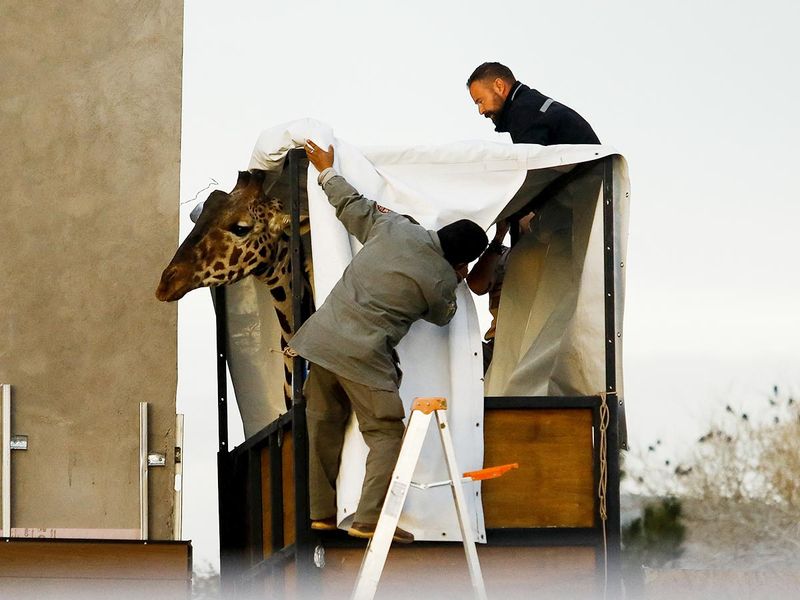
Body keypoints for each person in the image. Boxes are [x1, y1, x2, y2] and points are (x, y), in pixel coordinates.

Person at [289, 139, 488, 543]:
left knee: (322, 427)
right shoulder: (440, 280)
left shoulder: (395, 226)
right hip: (364, 357)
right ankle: (369, 519)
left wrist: (326, 169)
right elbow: (443, 316)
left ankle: (320, 515)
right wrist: (457, 279)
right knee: (385, 434)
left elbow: (349, 205)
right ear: (461, 261)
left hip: (320, 342)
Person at [466, 62, 600, 145]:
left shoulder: (524, 111)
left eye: (480, 101)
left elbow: (529, 170)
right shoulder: (531, 104)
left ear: (499, 86)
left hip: (589, 183)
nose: (481, 111)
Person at [466, 212, 535, 372]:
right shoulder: (501, 255)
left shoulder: (554, 253)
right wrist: (499, 236)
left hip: (536, 339)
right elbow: (476, 285)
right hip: (499, 343)